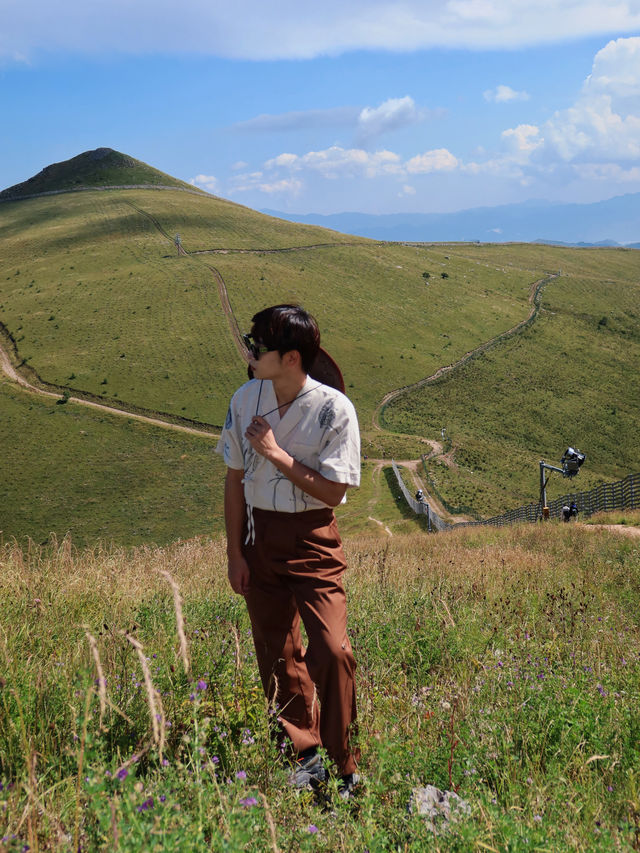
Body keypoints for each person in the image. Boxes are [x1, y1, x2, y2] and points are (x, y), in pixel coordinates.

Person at [216, 304, 361, 798]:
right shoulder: (244, 398)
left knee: (333, 651)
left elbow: (334, 493)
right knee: (275, 651)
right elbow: (234, 479)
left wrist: (276, 453)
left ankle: (346, 766)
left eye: (259, 346)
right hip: (260, 537)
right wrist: (235, 553)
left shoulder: (333, 410)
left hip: (313, 538)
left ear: (291, 357)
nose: (251, 353)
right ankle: (304, 753)